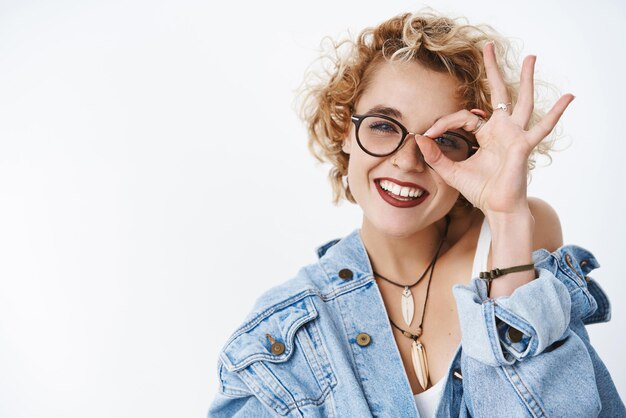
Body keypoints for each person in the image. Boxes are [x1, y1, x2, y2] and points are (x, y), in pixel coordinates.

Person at [208, 11, 625, 417]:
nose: (408, 161)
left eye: (444, 139)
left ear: (474, 154)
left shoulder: (512, 236)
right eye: (384, 126)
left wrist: (508, 215)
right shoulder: (284, 335)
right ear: (344, 130)